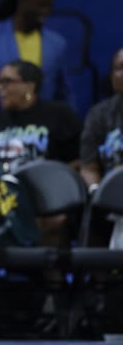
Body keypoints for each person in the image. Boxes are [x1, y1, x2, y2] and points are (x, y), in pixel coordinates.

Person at [0, 60, 81, 246]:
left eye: (7, 82)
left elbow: (78, 162)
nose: (0, 88)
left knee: (54, 221)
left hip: (44, 199)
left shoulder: (59, 115)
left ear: (30, 85)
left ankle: (52, 273)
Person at [80, 47, 123, 247]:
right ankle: (101, 277)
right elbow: (89, 167)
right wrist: (98, 192)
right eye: (119, 68)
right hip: (110, 200)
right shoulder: (99, 114)